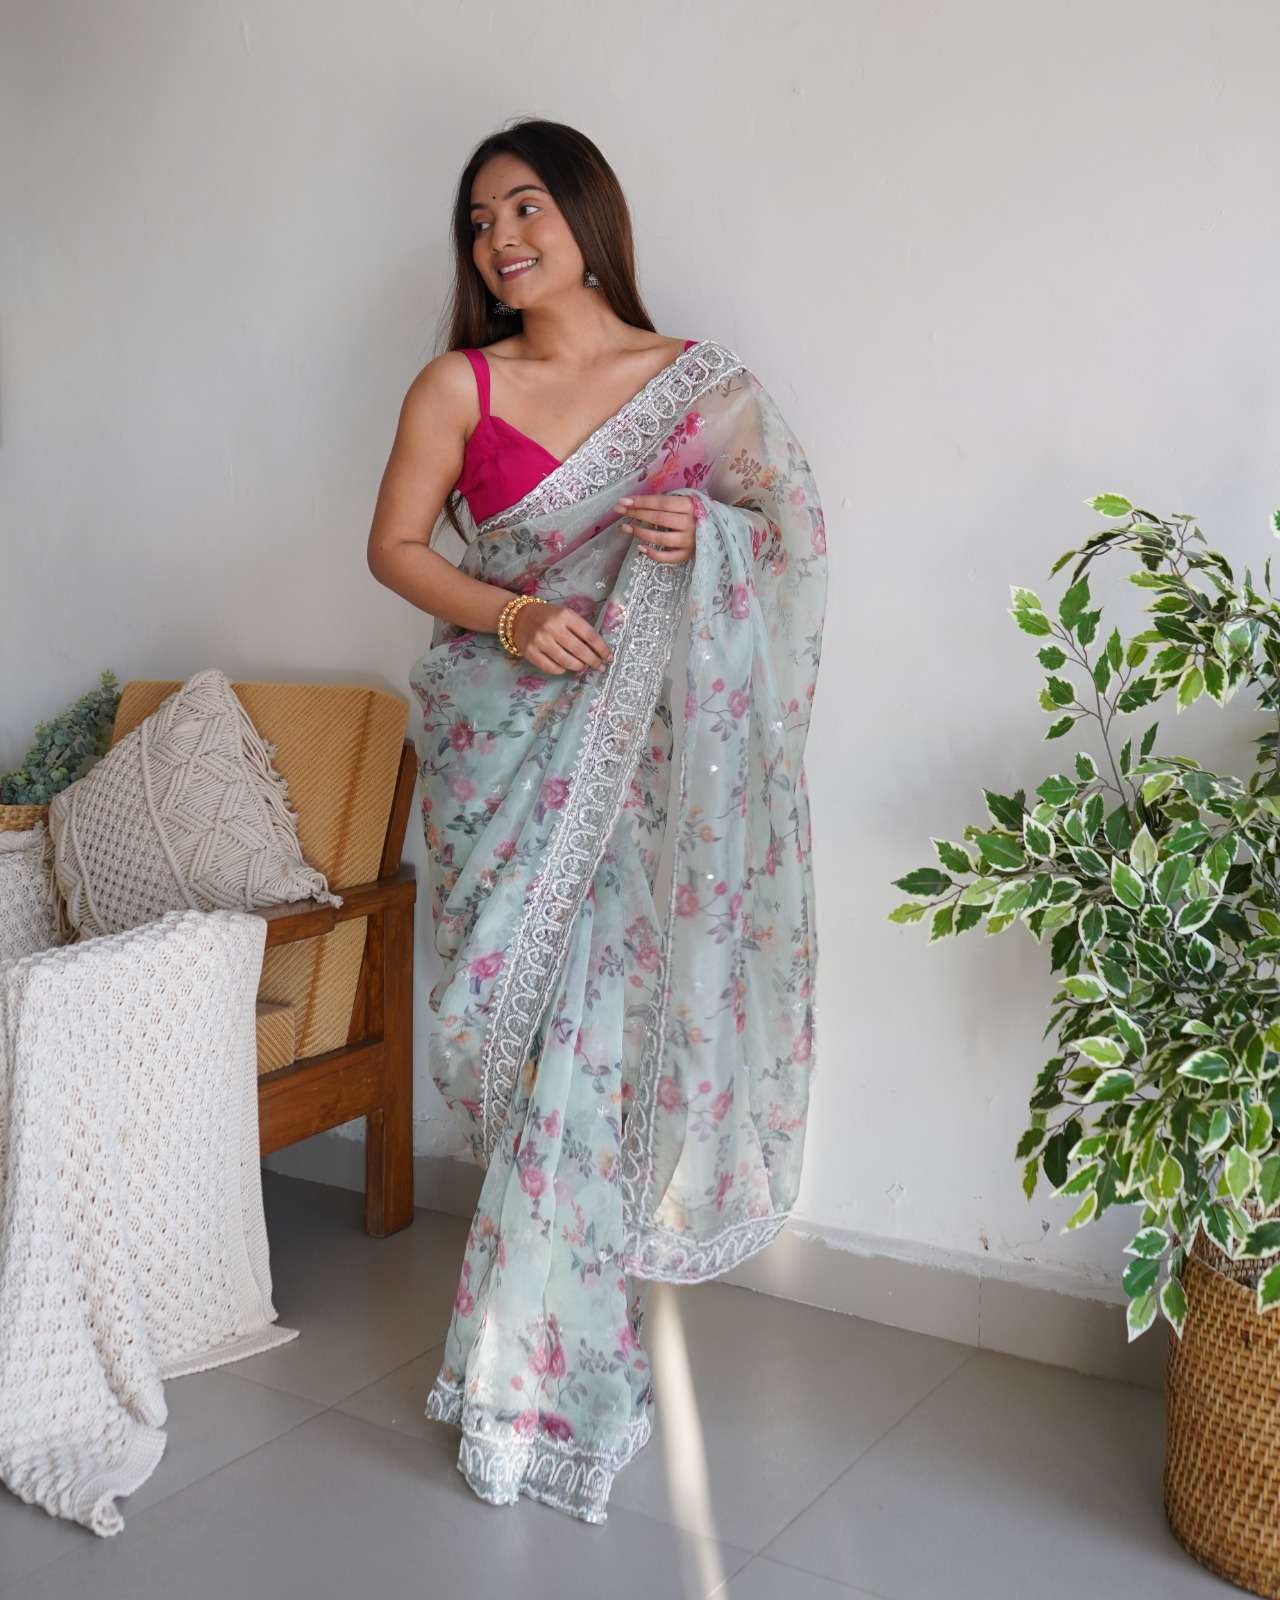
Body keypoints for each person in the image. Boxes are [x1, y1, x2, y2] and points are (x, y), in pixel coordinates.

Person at [366, 117, 828, 1526]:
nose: (500, 239)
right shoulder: (460, 383)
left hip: (636, 783)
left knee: (594, 1047)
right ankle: (548, 1344)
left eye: (525, 207)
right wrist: (511, 615)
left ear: (587, 213)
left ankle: (537, 1381)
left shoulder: (699, 389)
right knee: (512, 1048)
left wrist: (711, 539)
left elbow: (792, 540)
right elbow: (395, 548)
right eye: (478, 222)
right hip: (501, 757)